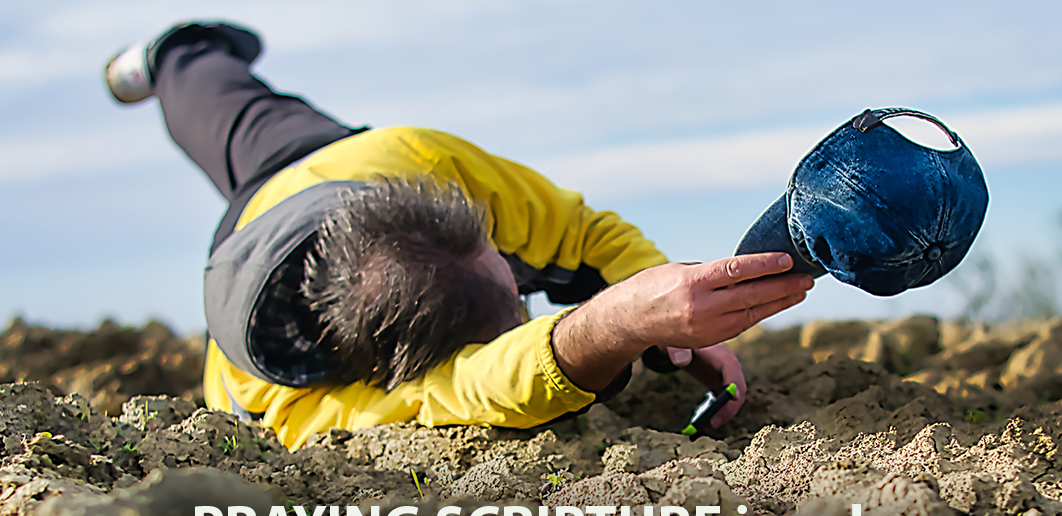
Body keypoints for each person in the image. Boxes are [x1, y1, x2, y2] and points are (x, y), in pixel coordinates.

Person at [105, 22, 813, 450]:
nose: (526, 289)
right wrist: (618, 322)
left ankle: (180, 54)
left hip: (342, 166)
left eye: (508, 268)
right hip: (251, 230)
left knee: (226, 99)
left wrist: (669, 314)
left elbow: (584, 231)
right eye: (516, 311)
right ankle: (177, 58)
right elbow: (482, 388)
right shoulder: (287, 407)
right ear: (406, 370)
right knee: (224, 127)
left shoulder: (425, 162)